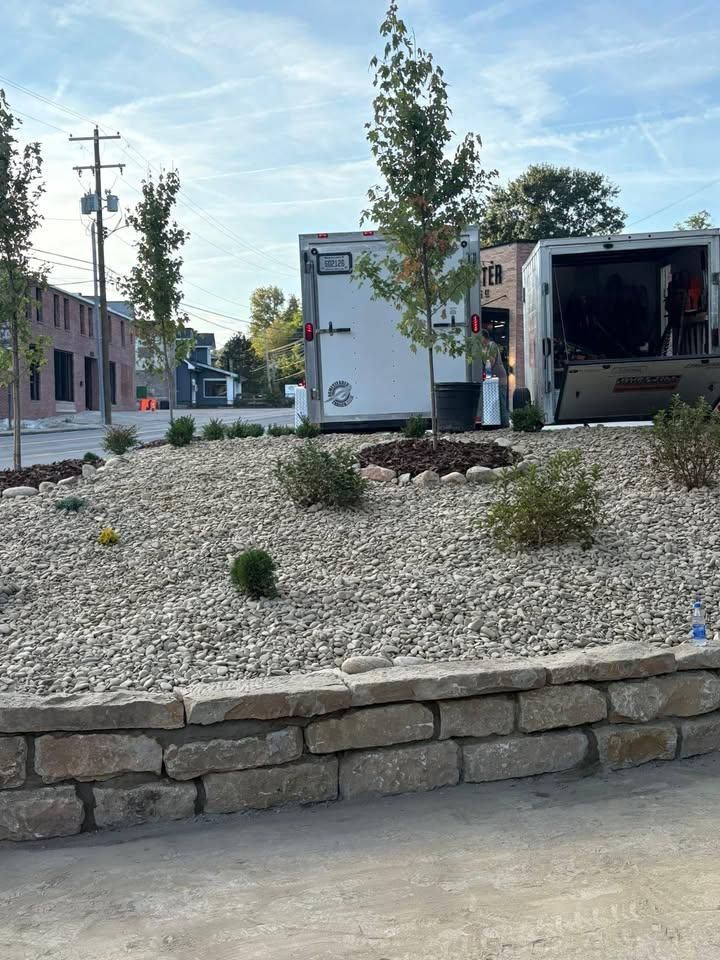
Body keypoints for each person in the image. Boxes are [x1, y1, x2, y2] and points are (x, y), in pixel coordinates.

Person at [480, 326, 509, 426]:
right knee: (495, 402)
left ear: (484, 337)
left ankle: (505, 424)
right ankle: (498, 424)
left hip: (499, 378)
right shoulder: (485, 348)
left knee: (501, 401)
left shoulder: (492, 346)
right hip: (493, 379)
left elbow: (490, 362)